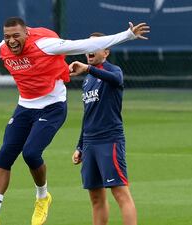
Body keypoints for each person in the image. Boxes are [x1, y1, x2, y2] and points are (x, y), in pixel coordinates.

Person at [0, 17, 149, 225]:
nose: (11, 41)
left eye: (16, 36)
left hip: (55, 109)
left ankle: (42, 196)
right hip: (27, 107)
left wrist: (127, 35)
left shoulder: (46, 45)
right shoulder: (4, 48)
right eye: (7, 36)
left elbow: (84, 44)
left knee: (31, 153)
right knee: (5, 154)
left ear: (26, 32)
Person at [70, 32, 137, 225]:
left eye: (95, 46)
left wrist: (89, 69)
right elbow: (88, 114)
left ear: (106, 52)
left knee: (120, 193)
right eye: (87, 47)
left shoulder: (113, 70)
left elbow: (116, 80)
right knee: (96, 198)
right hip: (90, 143)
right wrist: (80, 145)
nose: (89, 51)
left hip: (109, 140)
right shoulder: (87, 80)